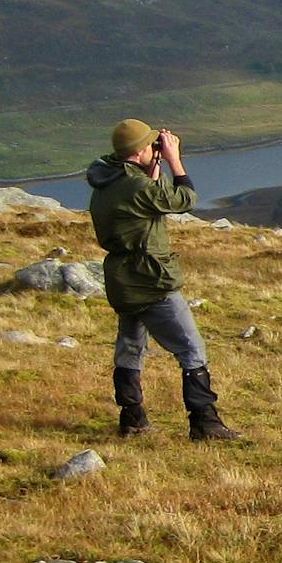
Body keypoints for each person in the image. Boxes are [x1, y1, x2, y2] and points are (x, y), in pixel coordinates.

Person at [86, 118, 241, 441]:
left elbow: (144, 206)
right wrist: (174, 160)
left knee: (130, 346)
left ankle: (132, 417)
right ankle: (205, 422)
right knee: (191, 349)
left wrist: (152, 168)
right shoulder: (136, 187)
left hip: (123, 280)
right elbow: (184, 199)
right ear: (140, 149)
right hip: (152, 280)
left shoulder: (108, 181)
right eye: (152, 145)